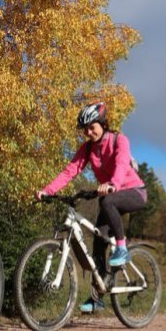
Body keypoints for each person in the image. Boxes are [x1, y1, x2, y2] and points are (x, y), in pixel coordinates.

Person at [36, 101, 147, 313]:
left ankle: (122, 249)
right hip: (111, 195)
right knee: (98, 241)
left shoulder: (118, 140)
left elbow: (122, 164)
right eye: (85, 129)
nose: (88, 132)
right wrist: (47, 190)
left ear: (102, 123)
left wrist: (113, 184)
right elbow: (70, 171)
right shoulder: (87, 149)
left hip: (134, 191)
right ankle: (98, 297)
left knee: (107, 202)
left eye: (92, 127)